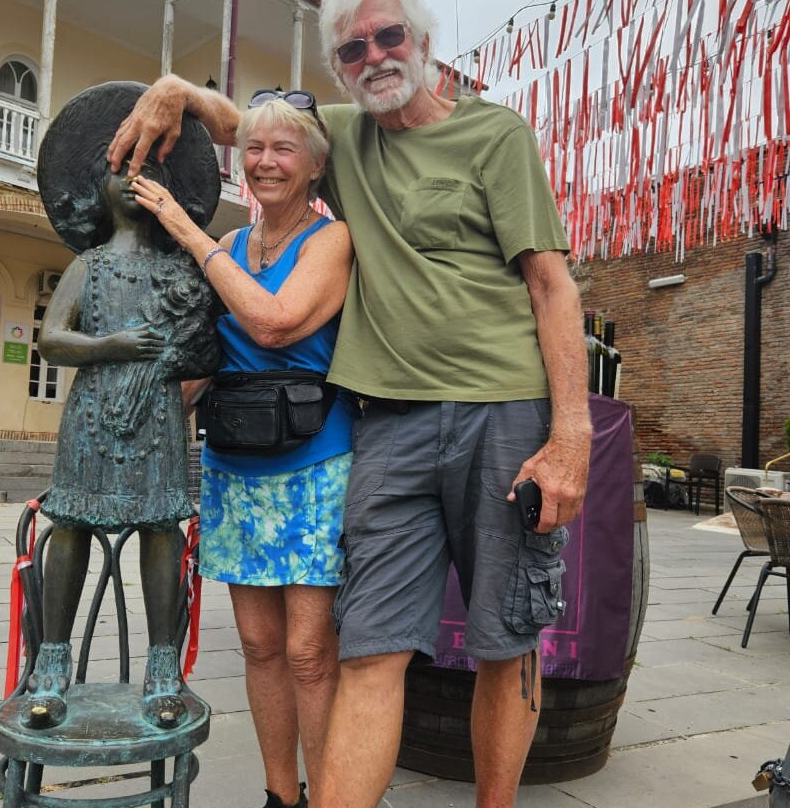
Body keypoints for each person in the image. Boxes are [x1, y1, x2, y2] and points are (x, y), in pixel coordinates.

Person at [108, 0, 592, 804]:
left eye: (390, 36)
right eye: (354, 47)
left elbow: (551, 284)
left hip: (502, 409)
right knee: (368, 646)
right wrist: (173, 89)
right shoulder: (346, 135)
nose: (374, 55)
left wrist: (571, 433)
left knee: (505, 641)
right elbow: (246, 130)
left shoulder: (495, 135)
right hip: (389, 422)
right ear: (338, 68)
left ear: (425, 45)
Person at [129, 92, 355, 808]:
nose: (264, 162)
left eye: (284, 149)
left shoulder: (331, 242)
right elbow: (205, 360)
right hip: (234, 464)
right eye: (254, 148)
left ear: (314, 166)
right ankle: (278, 795)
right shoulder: (230, 249)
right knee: (259, 647)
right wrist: (138, 411)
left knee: (310, 652)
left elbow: (274, 324)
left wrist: (190, 236)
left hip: (314, 464)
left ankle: (328, 797)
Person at [27, 81, 222, 732]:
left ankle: (163, 665)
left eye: (148, 172)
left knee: (162, 529)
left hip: (159, 420)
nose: (134, 181)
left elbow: (204, 351)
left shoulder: (179, 271)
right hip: (91, 417)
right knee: (73, 527)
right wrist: (110, 344)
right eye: (122, 171)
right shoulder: (89, 265)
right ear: (96, 192)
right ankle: (51, 662)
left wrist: (175, 353)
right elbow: (52, 338)